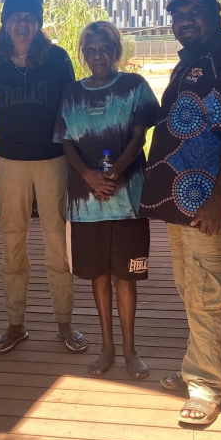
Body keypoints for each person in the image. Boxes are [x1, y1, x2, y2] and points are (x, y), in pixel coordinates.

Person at [139, 0, 221, 426]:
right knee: (195, 288)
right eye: (176, 14)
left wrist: (217, 199)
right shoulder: (192, 60)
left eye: (192, 11)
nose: (183, 21)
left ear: (215, 11)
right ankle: (214, 363)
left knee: (206, 290)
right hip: (179, 198)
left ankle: (206, 385)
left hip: (205, 201)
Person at [0, 0, 88, 354]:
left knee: (58, 242)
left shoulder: (57, 59)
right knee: (12, 243)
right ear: (6, 22)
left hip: (52, 161)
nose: (22, 24)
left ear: (38, 22)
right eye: (16, 17)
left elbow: (70, 107)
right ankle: (15, 324)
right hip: (10, 162)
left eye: (29, 17)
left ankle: (65, 323)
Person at [55, 21, 159, 379]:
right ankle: (108, 348)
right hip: (86, 202)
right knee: (97, 274)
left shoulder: (134, 87)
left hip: (127, 199)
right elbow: (66, 140)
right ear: (84, 54)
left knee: (125, 277)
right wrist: (88, 176)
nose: (97, 55)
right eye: (90, 49)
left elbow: (139, 135)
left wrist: (113, 174)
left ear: (116, 50)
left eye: (104, 48)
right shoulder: (71, 92)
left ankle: (130, 350)